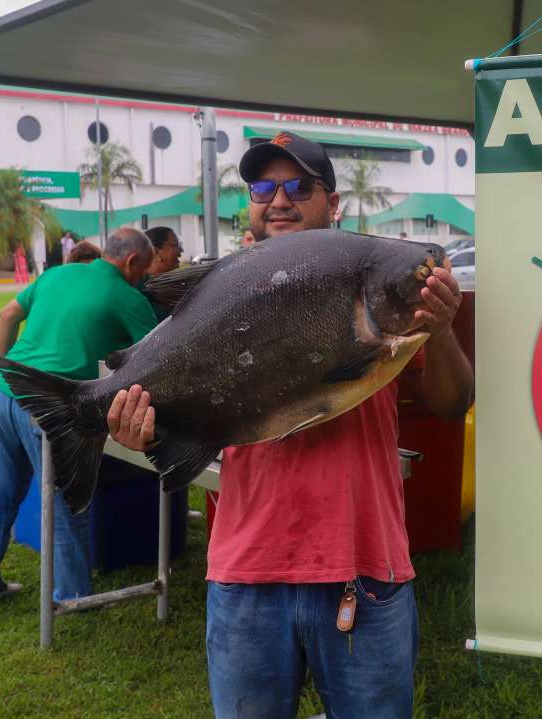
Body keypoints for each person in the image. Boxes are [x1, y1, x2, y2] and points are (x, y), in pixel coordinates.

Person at [107, 132, 472, 718]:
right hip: (247, 570)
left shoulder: (380, 286)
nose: (279, 199)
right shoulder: (222, 286)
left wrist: (442, 327)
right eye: (263, 186)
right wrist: (145, 429)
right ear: (249, 204)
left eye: (299, 186)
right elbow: (177, 423)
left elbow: (453, 403)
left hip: (364, 566)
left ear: (333, 204)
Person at [0, 228, 160, 606]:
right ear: (132, 262)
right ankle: (71, 596)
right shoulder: (126, 296)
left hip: (2, 389)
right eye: (145, 272)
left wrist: (3, 364)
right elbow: (158, 357)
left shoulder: (55, 274)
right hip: (46, 407)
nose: (144, 280)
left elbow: (7, 315)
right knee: (67, 500)